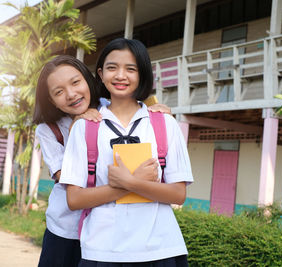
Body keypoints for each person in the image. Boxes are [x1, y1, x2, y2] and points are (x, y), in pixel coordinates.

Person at [61, 38, 193, 266]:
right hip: (101, 251)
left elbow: (178, 194)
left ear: (142, 74)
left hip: (160, 249)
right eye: (112, 68)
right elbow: (74, 199)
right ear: (101, 74)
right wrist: (128, 184)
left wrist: (130, 183)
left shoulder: (165, 123)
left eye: (130, 69)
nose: (120, 75)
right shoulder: (84, 127)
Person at [32, 54, 170, 267]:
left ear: (88, 79)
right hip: (66, 231)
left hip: (108, 230)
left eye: (76, 82)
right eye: (58, 92)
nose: (71, 94)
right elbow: (67, 179)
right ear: (51, 100)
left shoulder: (115, 109)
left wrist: (159, 114)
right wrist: (77, 129)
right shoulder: (48, 129)